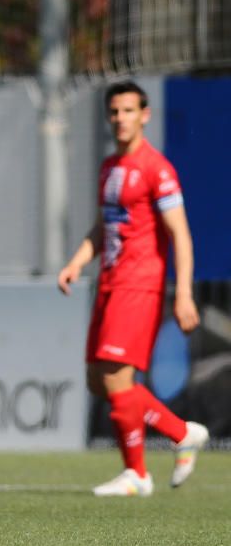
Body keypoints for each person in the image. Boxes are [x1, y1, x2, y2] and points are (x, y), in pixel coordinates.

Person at [57, 80, 209, 497]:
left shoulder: (157, 169)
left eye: (128, 111)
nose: (120, 118)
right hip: (109, 281)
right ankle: (181, 433)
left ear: (145, 115)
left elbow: (180, 233)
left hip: (139, 283)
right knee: (97, 380)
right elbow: (102, 226)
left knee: (116, 378)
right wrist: (76, 262)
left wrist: (182, 293)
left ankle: (137, 474)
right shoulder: (110, 166)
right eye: (114, 112)